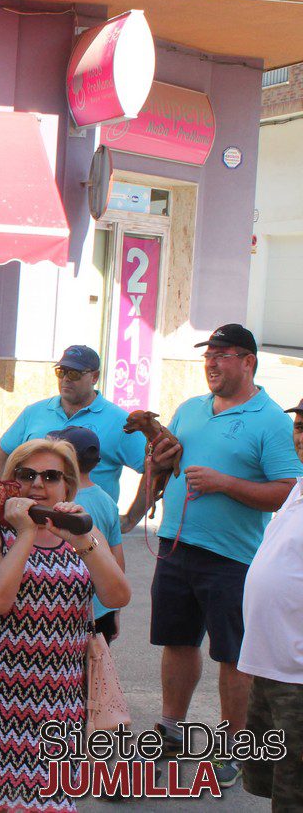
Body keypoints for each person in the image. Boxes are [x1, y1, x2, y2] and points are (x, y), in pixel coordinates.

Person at [123, 324, 301, 787]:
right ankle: (170, 728)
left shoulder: (273, 421)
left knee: (234, 656)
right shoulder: (189, 409)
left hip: (235, 557)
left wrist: (226, 484)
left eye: (224, 355)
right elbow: (163, 464)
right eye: (209, 355)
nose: (213, 363)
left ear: (249, 362)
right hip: (177, 546)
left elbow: (287, 492)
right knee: (177, 641)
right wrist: (149, 480)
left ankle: (231, 750)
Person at [0, 438, 130, 812]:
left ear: (68, 485)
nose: (38, 484)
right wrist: (26, 534)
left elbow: (117, 596)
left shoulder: (85, 534)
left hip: (56, 698)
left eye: (51, 475)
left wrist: (82, 541)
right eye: (26, 475)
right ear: (9, 483)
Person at [0, 344, 146, 505]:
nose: (66, 378)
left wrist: (132, 517)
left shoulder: (120, 420)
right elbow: (4, 450)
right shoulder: (34, 412)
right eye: (61, 372)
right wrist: (8, 496)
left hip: (88, 525)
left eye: (74, 373)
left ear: (94, 377)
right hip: (32, 522)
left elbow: (153, 469)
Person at [238, 451, 303, 810]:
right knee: (276, 782)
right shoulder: (297, 490)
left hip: (297, 674)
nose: (302, 436)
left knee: (295, 791)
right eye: (300, 426)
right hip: (271, 667)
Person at [49, 426, 126, 643]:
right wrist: (115, 611)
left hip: (69, 607)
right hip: (103, 608)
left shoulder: (62, 504)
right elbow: (117, 563)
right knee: (95, 675)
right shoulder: (107, 502)